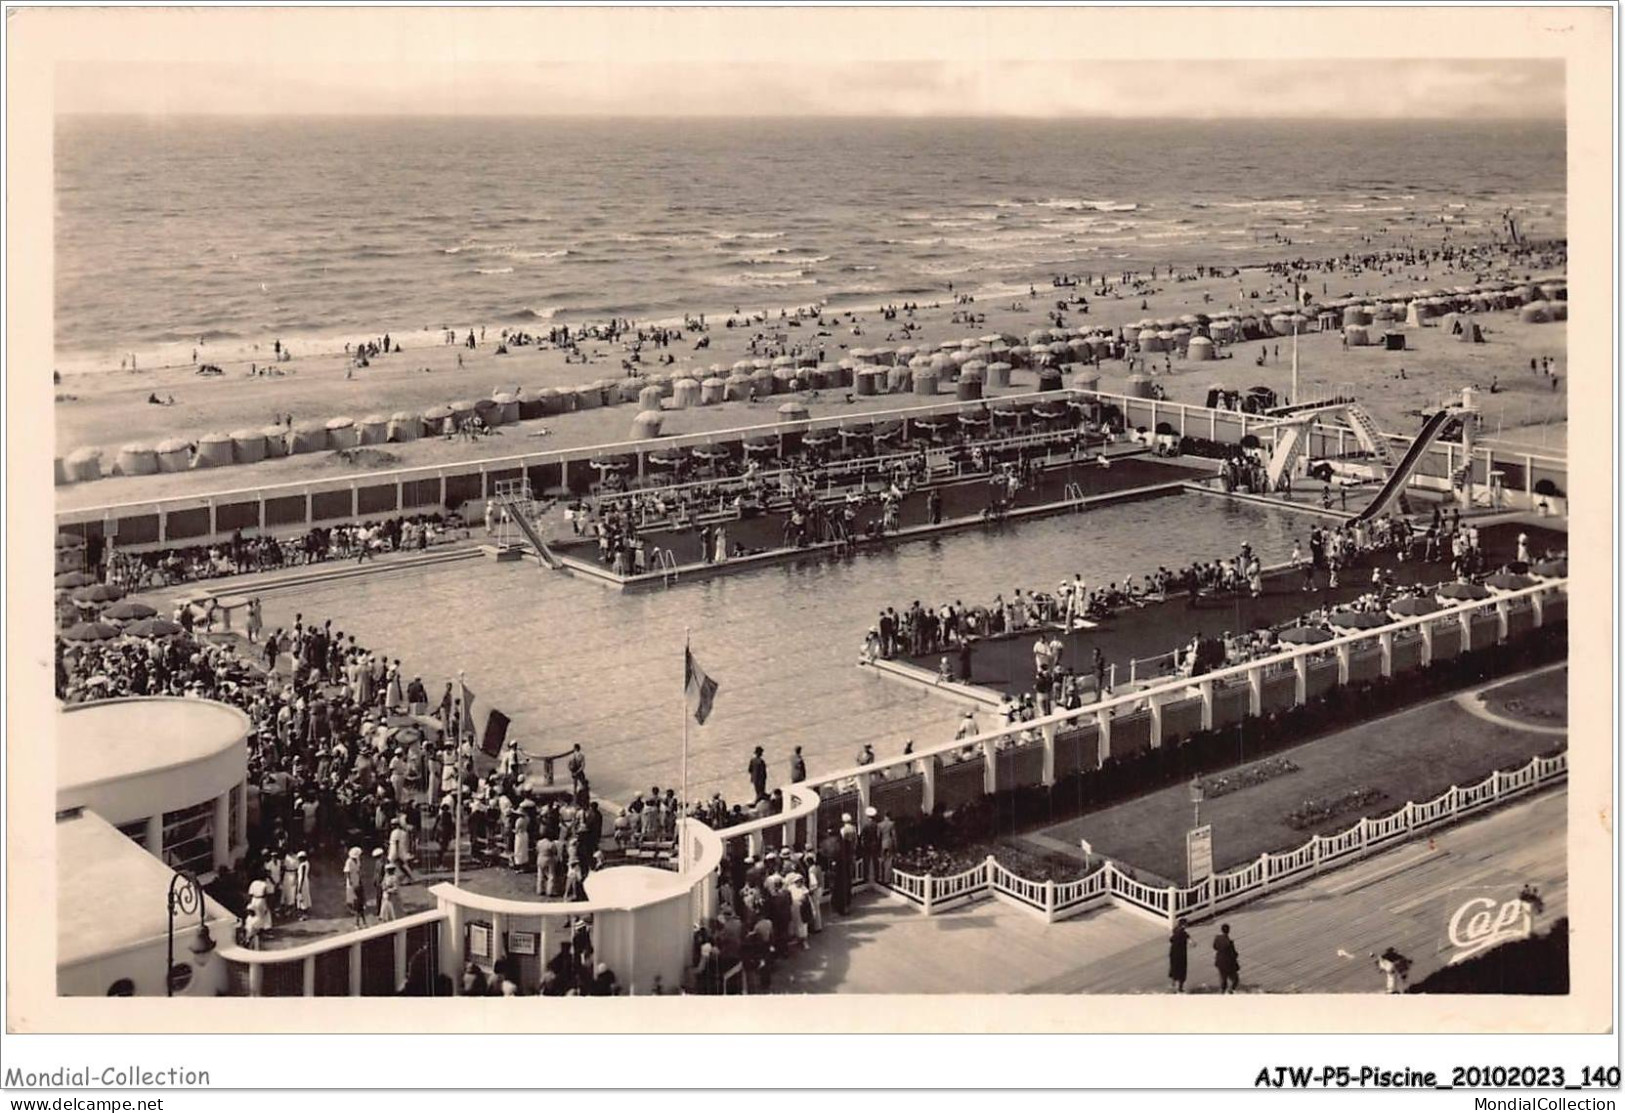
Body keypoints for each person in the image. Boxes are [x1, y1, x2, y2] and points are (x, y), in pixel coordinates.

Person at [1213, 923, 1241, 993]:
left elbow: (1215, 947)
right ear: (1229, 930)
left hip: (1219, 961)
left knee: (1223, 979)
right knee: (1236, 979)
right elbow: (1233, 955)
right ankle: (1231, 991)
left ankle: (1222, 993)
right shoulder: (1230, 942)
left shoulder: (1217, 938)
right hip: (1228, 964)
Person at [1168, 919, 1189, 993]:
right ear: (1183, 925)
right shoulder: (1183, 933)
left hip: (1173, 953)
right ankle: (1180, 988)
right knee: (1182, 971)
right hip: (1181, 954)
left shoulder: (1175, 931)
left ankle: (1172, 985)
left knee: (1174, 969)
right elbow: (1190, 940)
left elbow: (1171, 939)